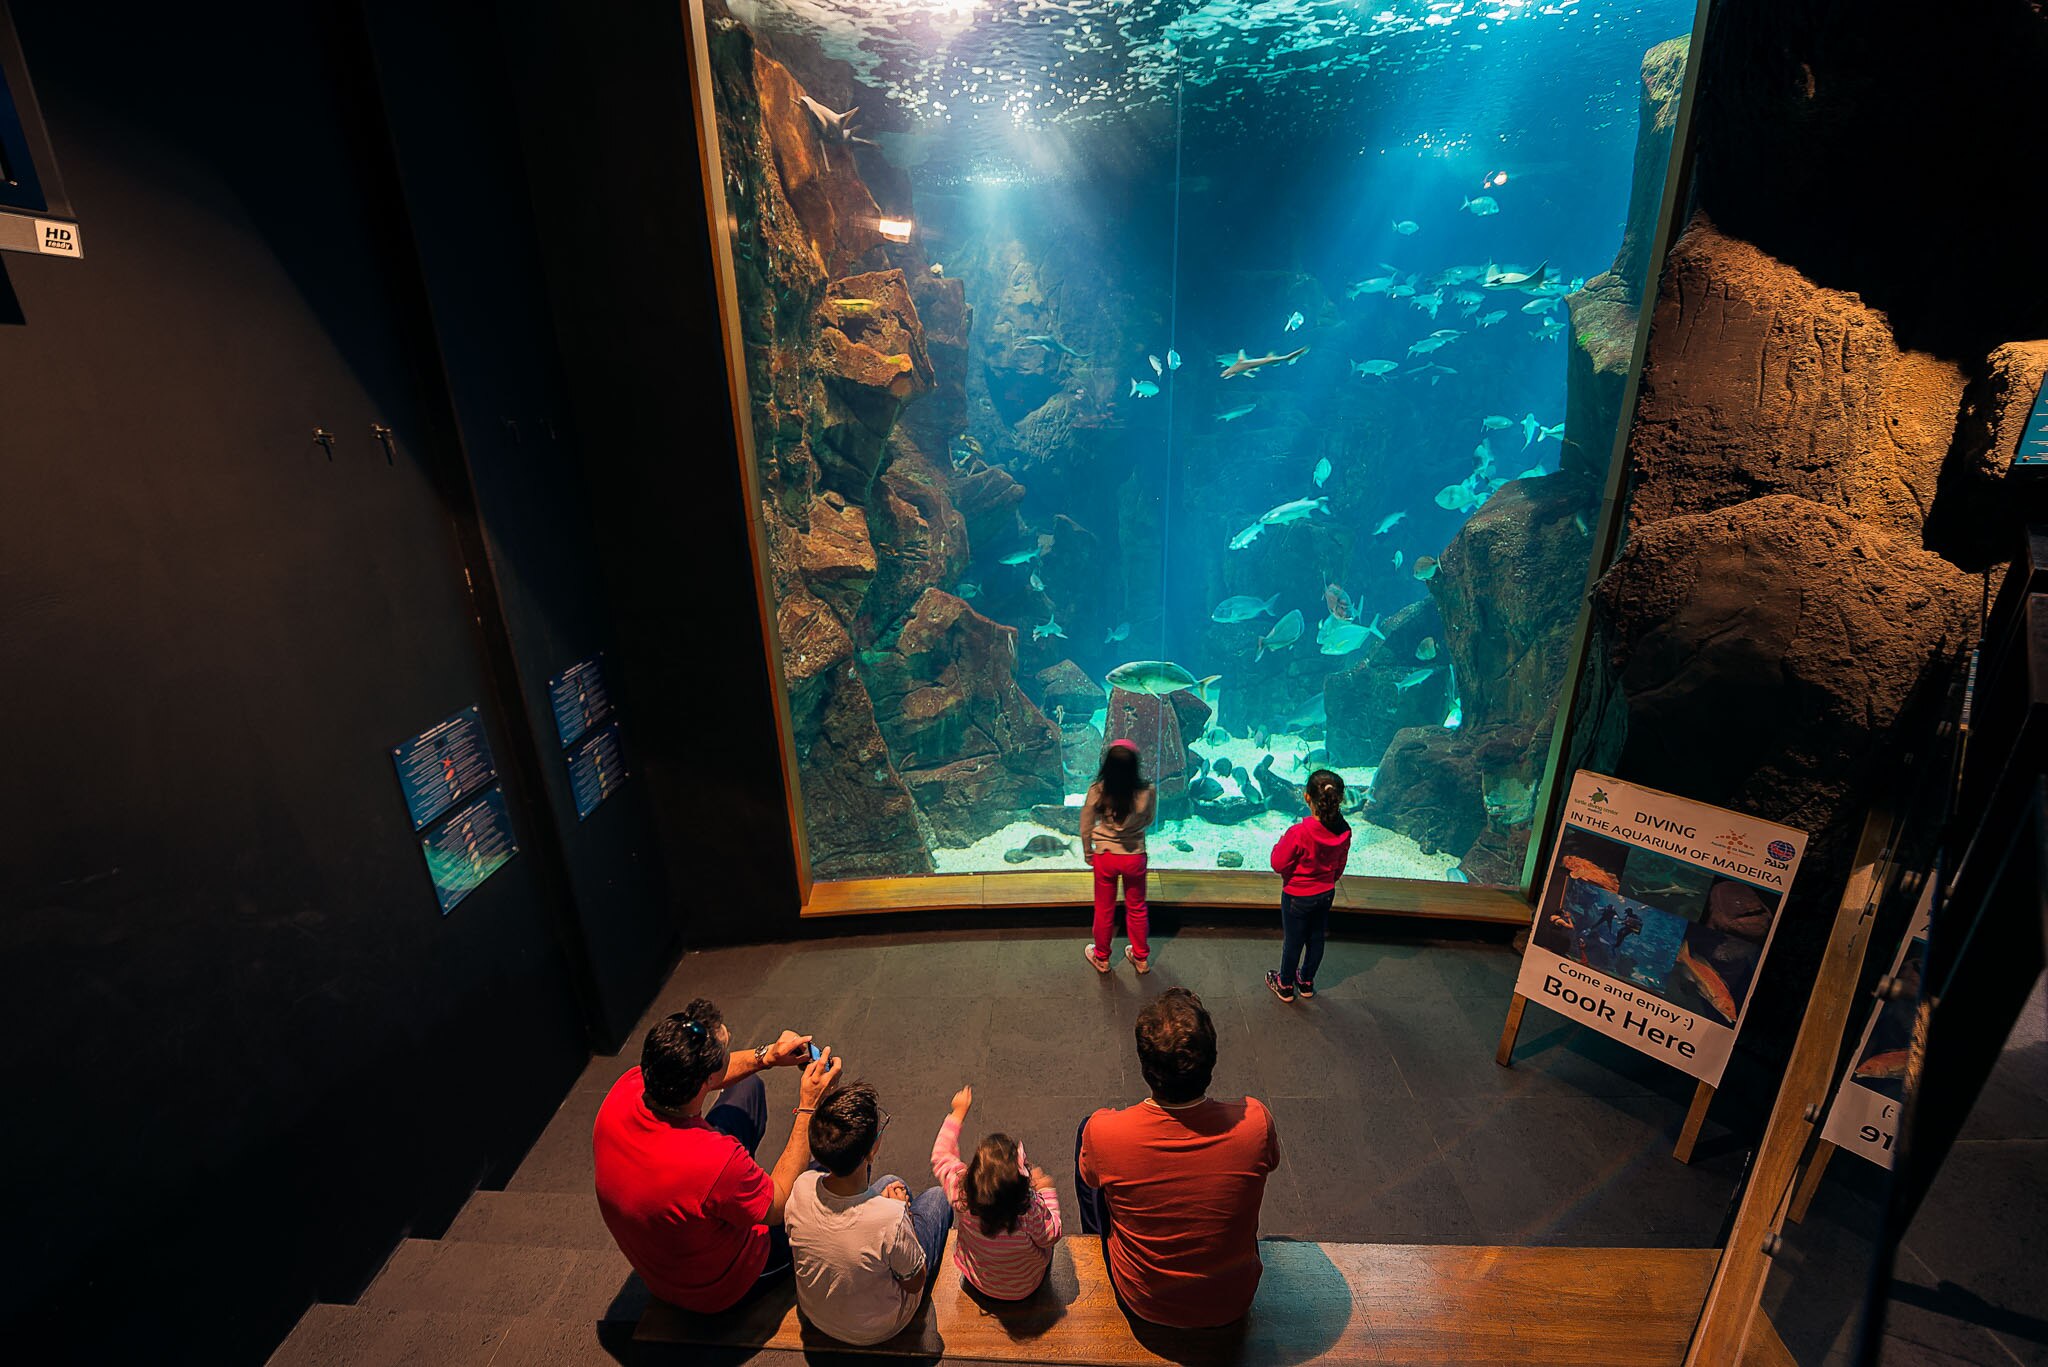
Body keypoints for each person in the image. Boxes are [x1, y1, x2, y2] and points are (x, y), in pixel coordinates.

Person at [592, 999, 839, 1313]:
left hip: (669, 1252)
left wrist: (768, 1056)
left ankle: (734, 1199)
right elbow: (776, 1206)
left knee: (747, 1085)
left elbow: (724, 1075)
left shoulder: (628, 1087)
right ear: (707, 1081)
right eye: (725, 1052)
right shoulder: (714, 1160)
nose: (731, 1052)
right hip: (721, 1287)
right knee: (834, 1164)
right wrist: (809, 1106)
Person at [1075, 988, 1280, 1328]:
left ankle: (1097, 1242)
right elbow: (1269, 1163)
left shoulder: (1105, 1132)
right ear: (1211, 1060)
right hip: (1233, 1301)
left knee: (1088, 1138)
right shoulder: (1256, 1122)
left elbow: (1090, 1180)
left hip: (1142, 1300)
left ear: (1145, 1065)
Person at [784, 1082, 955, 1345]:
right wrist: (903, 1216)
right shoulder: (891, 1219)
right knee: (937, 1197)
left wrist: (883, 1206)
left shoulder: (801, 1187)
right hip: (880, 1327)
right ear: (871, 1150)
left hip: (816, 1315)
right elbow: (914, 1282)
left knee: (890, 1180)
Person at [929, 1084, 1062, 1300]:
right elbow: (1051, 1235)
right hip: (1025, 1287)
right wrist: (1046, 1191)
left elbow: (940, 1154)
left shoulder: (960, 1194)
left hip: (977, 1279)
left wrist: (958, 1112)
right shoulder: (1029, 1210)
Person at [1265, 768, 1352, 1004]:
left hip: (1296, 897)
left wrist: (1279, 848)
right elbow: (1340, 863)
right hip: (1325, 894)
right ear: (1339, 799)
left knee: (1293, 941)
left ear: (1306, 797)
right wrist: (1329, 879)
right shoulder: (1344, 830)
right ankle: (1306, 981)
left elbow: (1278, 862)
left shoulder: (1299, 833)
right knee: (1316, 939)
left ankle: (1284, 985)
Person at [1080, 739, 1156, 974]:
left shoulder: (1098, 789)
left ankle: (1102, 957)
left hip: (1105, 856)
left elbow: (1086, 824)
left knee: (1104, 909)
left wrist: (1087, 850)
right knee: (1137, 907)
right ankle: (1141, 958)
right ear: (1135, 766)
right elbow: (1149, 820)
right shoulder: (1147, 791)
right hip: (1134, 855)